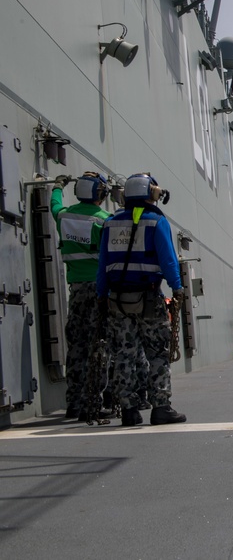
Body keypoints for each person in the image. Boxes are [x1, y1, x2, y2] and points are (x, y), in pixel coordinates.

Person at [96, 173, 187, 426]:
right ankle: (161, 407)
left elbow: (102, 264)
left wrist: (101, 295)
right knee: (157, 352)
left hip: (117, 301)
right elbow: (168, 259)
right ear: (152, 193)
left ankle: (129, 411)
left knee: (123, 354)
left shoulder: (110, 223)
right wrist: (177, 288)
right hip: (148, 299)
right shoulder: (156, 222)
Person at [50, 172, 113, 420]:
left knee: (76, 346)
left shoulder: (64, 217)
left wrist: (57, 186)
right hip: (99, 291)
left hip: (75, 290)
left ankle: (73, 403)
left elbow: (54, 206)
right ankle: (93, 403)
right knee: (99, 345)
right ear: (100, 195)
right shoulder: (105, 221)